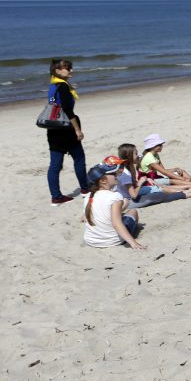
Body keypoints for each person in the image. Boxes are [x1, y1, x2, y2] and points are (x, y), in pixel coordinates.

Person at [46, 59, 89, 205]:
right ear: (57, 71)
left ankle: (56, 197)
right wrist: (77, 129)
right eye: (67, 68)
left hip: (53, 128)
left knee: (55, 165)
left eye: (70, 68)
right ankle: (85, 189)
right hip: (66, 129)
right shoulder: (63, 87)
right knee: (79, 158)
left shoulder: (53, 85)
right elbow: (68, 110)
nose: (70, 70)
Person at [111, 146, 191, 209]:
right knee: (161, 192)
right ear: (129, 156)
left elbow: (134, 184)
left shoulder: (130, 167)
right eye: (136, 153)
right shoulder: (125, 173)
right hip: (129, 200)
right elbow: (133, 195)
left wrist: (146, 179)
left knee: (160, 187)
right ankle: (187, 192)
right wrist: (141, 182)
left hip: (135, 191)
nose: (139, 155)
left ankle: (187, 190)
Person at [83, 163, 144, 249]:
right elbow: (117, 224)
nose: (116, 174)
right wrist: (133, 242)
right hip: (112, 241)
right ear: (103, 180)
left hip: (91, 240)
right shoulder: (115, 196)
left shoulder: (88, 196)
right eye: (113, 173)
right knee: (133, 212)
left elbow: (87, 218)